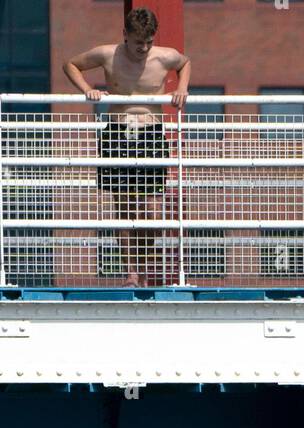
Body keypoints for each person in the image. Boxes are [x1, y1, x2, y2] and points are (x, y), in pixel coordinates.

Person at [63, 7, 191, 287]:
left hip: (151, 132)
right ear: (125, 36)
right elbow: (70, 64)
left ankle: (145, 270)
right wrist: (87, 89)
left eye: (148, 42)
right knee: (123, 206)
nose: (143, 48)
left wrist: (182, 87)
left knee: (151, 209)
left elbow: (184, 63)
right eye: (137, 43)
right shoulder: (107, 54)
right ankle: (130, 273)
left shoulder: (165, 55)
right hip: (118, 131)